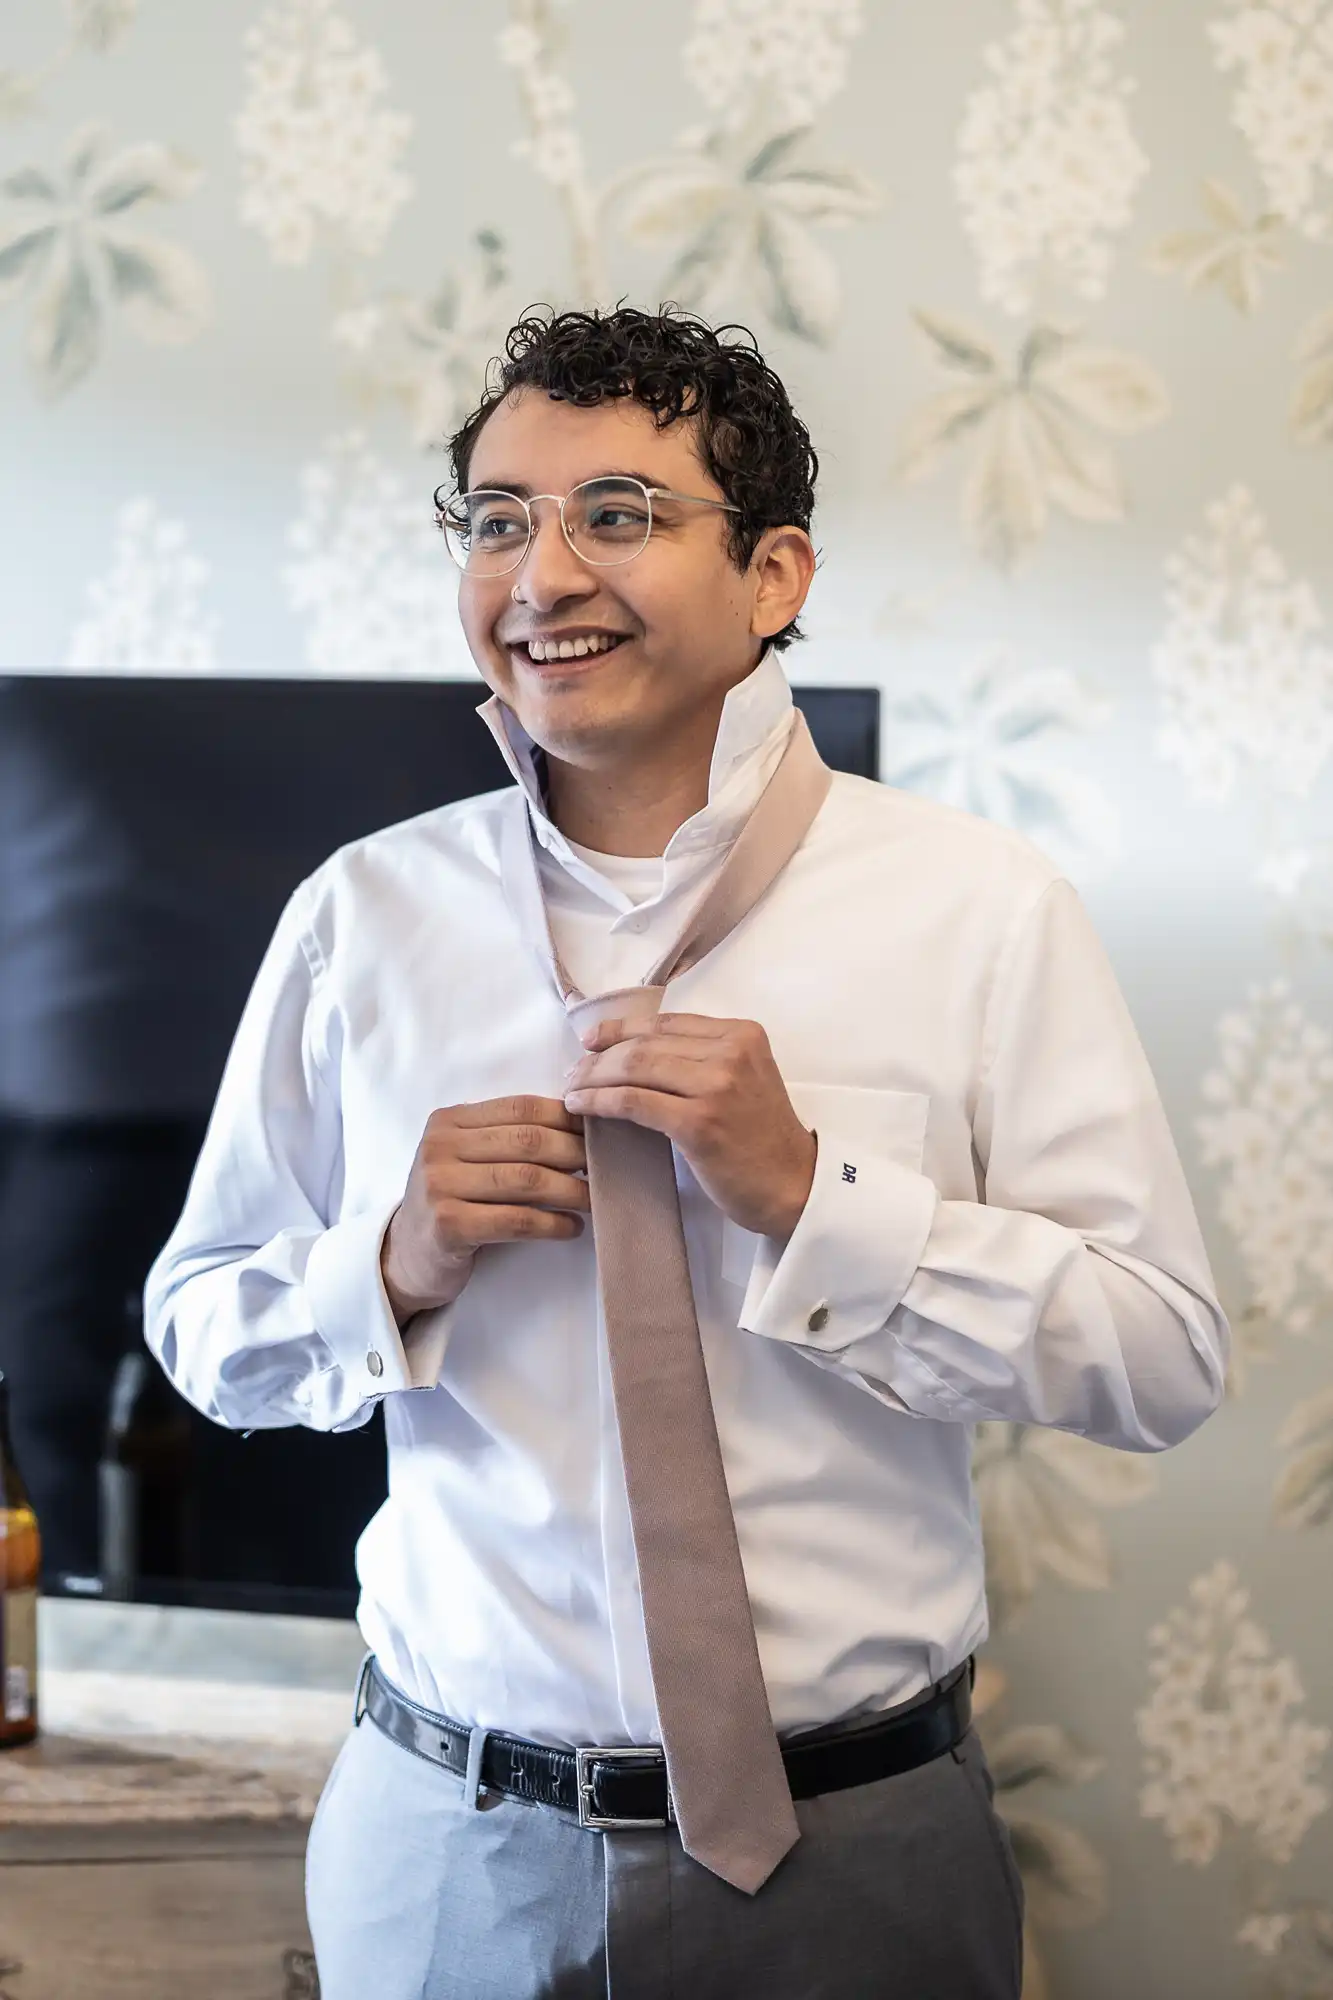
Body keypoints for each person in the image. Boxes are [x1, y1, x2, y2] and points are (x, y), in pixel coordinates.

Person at [144, 303, 1230, 2000]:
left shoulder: (979, 909)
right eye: (498, 519)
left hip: (862, 1853)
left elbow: (1160, 1359)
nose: (542, 572)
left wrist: (815, 1200)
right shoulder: (362, 917)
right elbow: (203, 1331)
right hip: (444, 1857)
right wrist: (394, 1259)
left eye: (620, 516)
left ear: (777, 575)